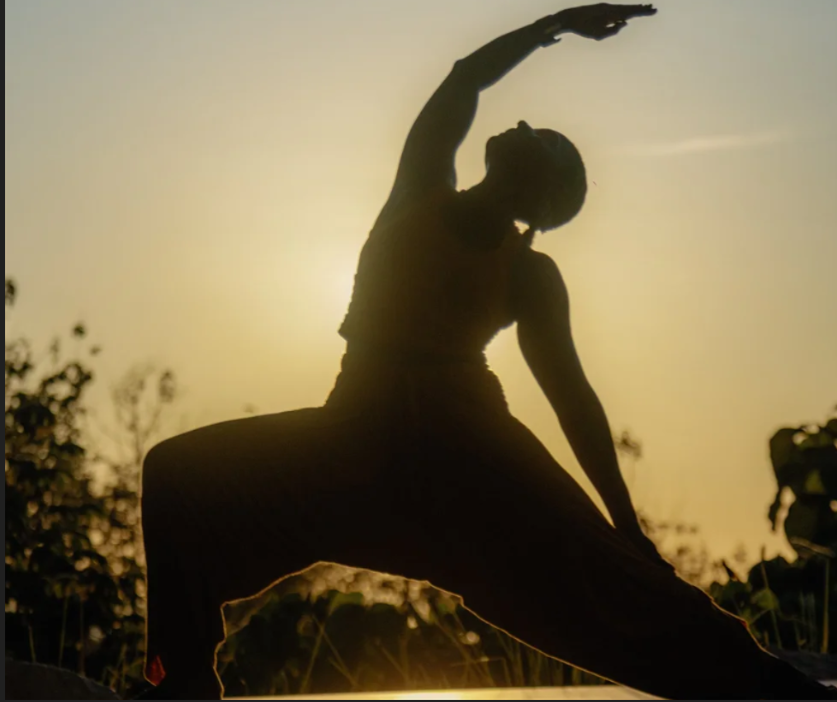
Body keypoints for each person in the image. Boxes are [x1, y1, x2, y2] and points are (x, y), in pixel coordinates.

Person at [138, 4, 836, 699]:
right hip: (354, 435)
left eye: (546, 140)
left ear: (541, 193)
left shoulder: (527, 274)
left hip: (469, 448)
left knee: (617, 583)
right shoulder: (416, 192)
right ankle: (181, 682)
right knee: (177, 478)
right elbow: (464, 80)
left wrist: (624, 526)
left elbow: (573, 400)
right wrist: (553, 25)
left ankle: (771, 686)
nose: (525, 125)